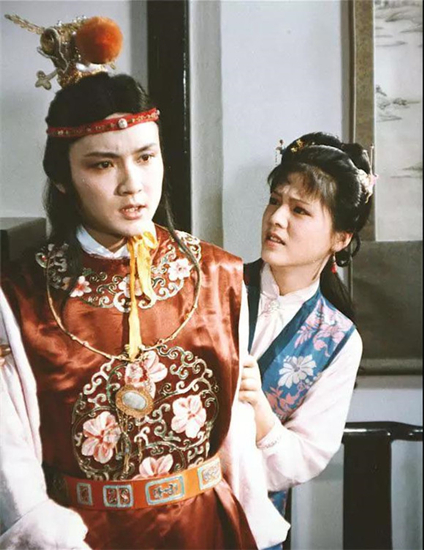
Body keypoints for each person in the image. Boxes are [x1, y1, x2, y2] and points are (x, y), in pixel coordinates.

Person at [0, 14, 289, 550]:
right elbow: (8, 459)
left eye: (146, 156)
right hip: (83, 536)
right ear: (63, 179)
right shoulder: (20, 296)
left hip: (205, 527)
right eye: (102, 165)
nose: (133, 184)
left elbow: (235, 438)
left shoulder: (220, 276)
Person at [239, 132, 375, 548]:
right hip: (170, 512)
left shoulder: (338, 340)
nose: (277, 218)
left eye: (299, 210)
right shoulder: (215, 284)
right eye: (274, 201)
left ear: (340, 238)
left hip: (250, 527)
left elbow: (303, 458)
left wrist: (258, 408)